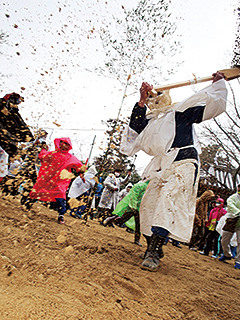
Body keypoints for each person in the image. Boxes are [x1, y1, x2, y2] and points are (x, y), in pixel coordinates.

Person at [120, 72, 227, 271]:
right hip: (163, 167)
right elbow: (134, 129)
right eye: (151, 97)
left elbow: (212, 105)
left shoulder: (181, 111)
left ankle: (153, 250)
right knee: (148, 205)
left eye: (156, 95)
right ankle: (154, 243)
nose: (155, 100)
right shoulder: (152, 121)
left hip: (184, 163)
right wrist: (142, 101)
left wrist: (217, 84)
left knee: (166, 200)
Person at [29, 137, 85, 224]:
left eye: (67, 144)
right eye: (63, 143)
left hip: (60, 181)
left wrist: (81, 174)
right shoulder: (52, 153)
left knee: (60, 194)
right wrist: (43, 148)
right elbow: (43, 156)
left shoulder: (70, 157)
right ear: (59, 143)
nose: (64, 145)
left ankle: (61, 215)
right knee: (39, 190)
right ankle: (27, 204)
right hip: (48, 178)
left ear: (69, 146)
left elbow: (78, 165)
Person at [103, 180, 150, 246]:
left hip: (140, 208)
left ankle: (137, 239)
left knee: (138, 224)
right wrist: (133, 206)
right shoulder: (141, 185)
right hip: (132, 206)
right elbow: (134, 196)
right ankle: (111, 219)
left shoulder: (151, 189)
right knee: (123, 219)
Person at [0, 92, 33, 160]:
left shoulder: (13, 112)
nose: (16, 104)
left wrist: (29, 137)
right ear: (11, 100)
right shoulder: (2, 109)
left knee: (13, 158)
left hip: (10, 141)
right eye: (17, 101)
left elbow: (21, 124)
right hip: (4, 139)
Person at [218, 184, 240, 269]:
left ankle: (238, 261)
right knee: (224, 240)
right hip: (231, 221)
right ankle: (227, 254)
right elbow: (230, 205)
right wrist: (238, 212)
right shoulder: (233, 197)